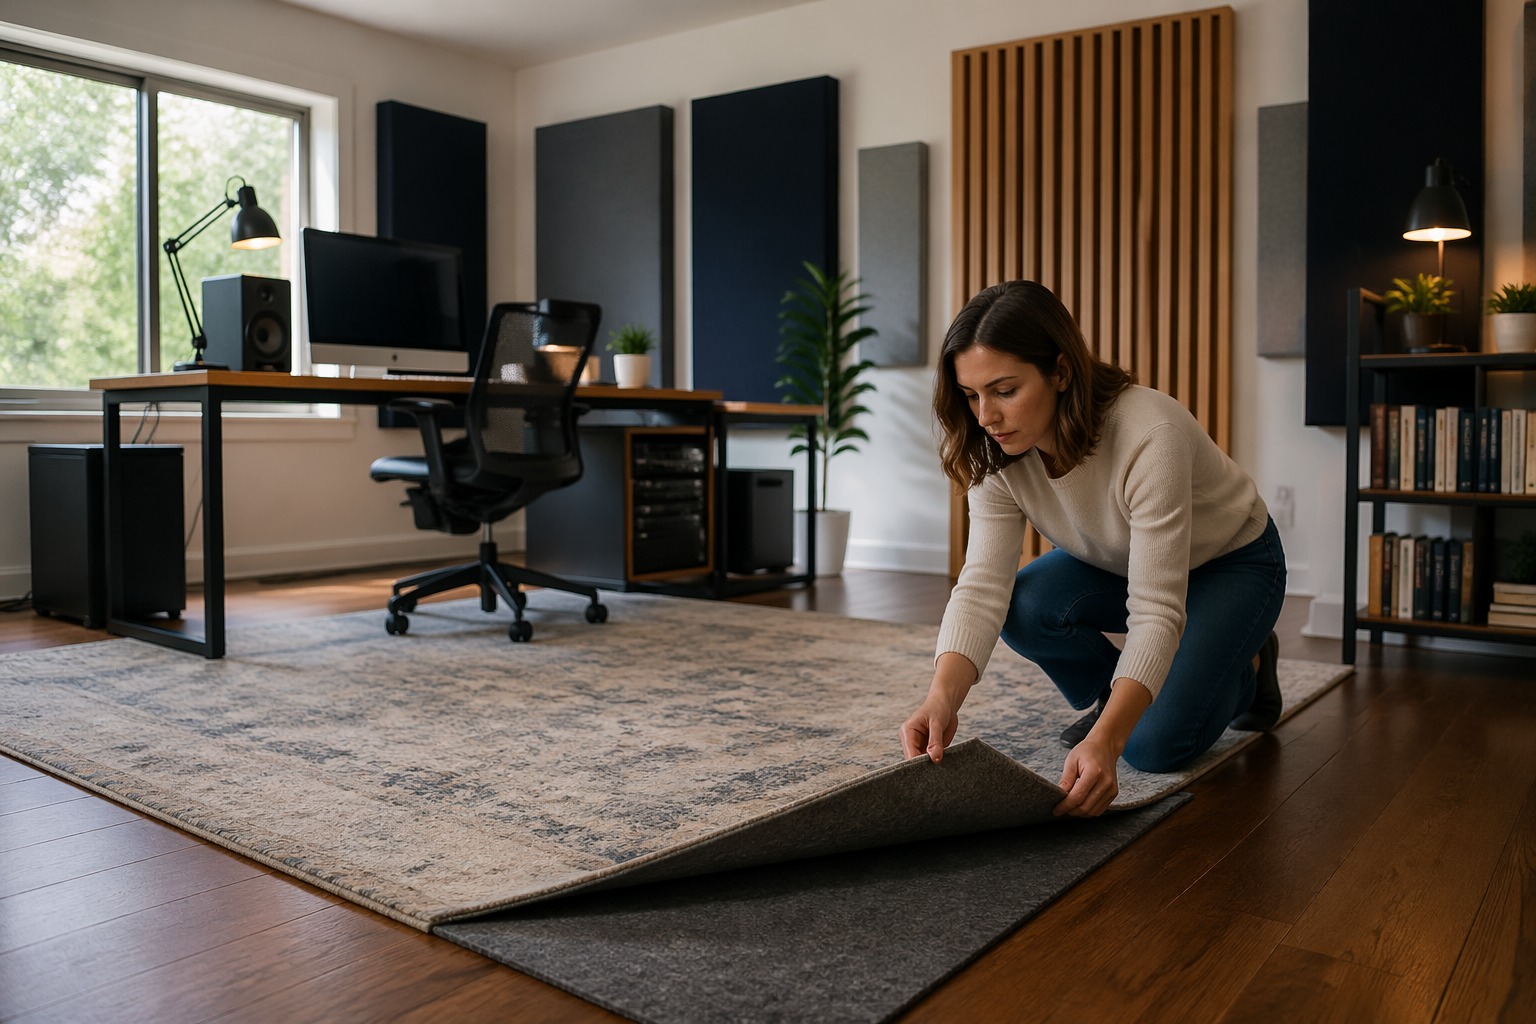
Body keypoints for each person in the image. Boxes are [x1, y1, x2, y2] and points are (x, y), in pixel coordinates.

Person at [899, 281, 1285, 818]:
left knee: (1152, 747)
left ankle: (1247, 665)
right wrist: (941, 697)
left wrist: (1109, 741)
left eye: (1004, 390)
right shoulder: (993, 443)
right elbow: (984, 584)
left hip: (1233, 562)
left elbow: (1155, 610)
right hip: (1122, 558)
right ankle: (1125, 698)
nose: (985, 415)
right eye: (971, 394)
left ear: (1060, 372)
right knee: (1026, 604)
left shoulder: (1150, 433)